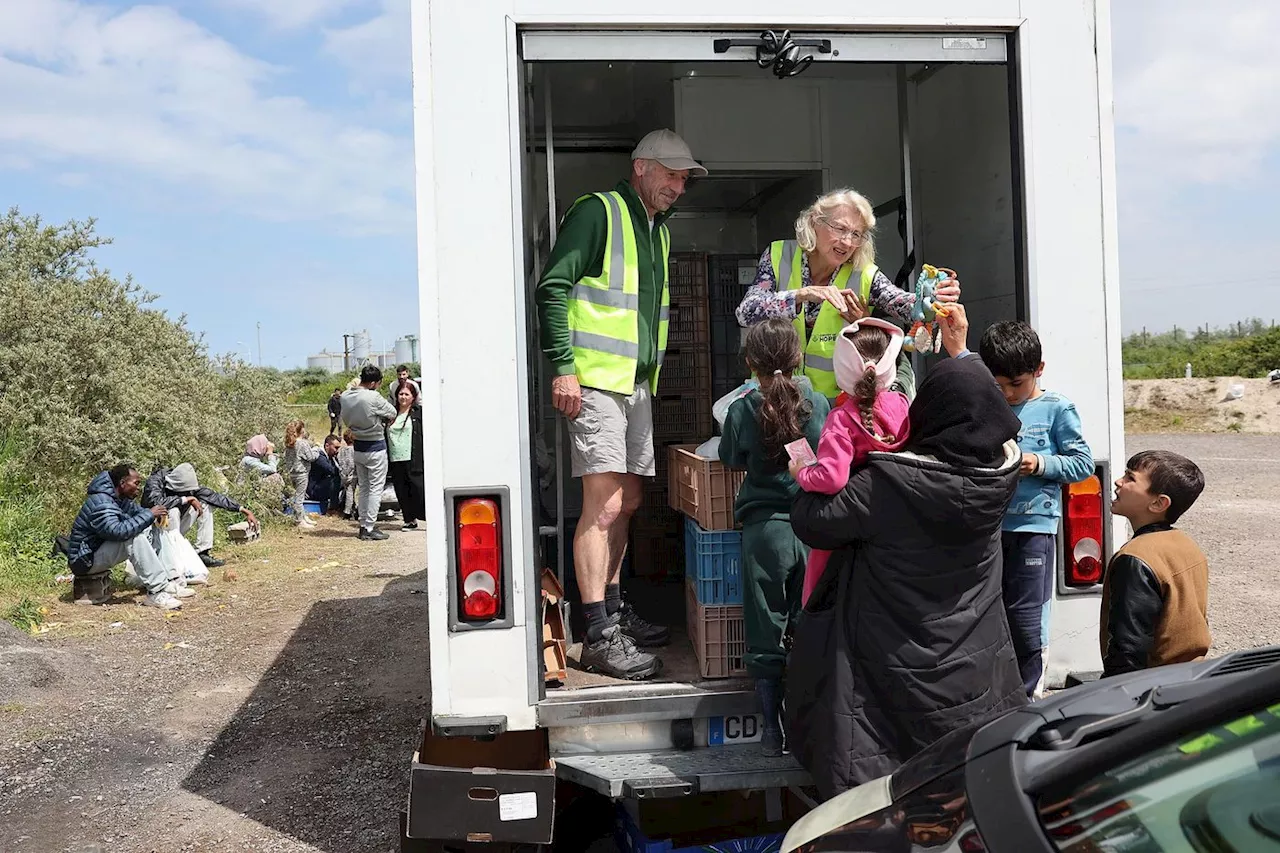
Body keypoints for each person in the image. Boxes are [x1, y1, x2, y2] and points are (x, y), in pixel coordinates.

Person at [786, 305, 1027, 799]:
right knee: (959, 793)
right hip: (973, 669)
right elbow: (979, 406)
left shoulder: (889, 483)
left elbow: (813, 522)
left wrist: (810, 470)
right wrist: (960, 349)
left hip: (892, 671)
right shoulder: (1001, 475)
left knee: (892, 800)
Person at [533, 128, 706, 680]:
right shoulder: (599, 213)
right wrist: (564, 367)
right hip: (596, 382)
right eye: (671, 174)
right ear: (641, 167)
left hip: (634, 385)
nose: (679, 186)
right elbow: (552, 288)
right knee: (604, 506)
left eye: (684, 178)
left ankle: (612, 609)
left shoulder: (656, 230)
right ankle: (598, 632)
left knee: (628, 501)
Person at [718, 318, 830, 757]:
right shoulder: (817, 403)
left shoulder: (743, 409)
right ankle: (808, 724)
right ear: (798, 357)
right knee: (808, 621)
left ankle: (770, 732)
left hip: (764, 532)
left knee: (766, 624)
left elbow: (729, 458)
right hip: (810, 526)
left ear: (749, 364)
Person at [735, 189, 961, 401]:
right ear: (815, 222)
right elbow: (745, 313)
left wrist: (933, 299)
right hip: (774, 401)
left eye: (856, 234)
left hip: (833, 410)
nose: (847, 242)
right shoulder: (778, 255)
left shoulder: (864, 274)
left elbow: (906, 306)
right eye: (840, 229)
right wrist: (800, 296)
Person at [979, 321, 1095, 697]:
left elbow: (1081, 464)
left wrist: (1038, 463)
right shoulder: (983, 405)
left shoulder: (1057, 408)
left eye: (1017, 384)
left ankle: (1028, 696)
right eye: (999, 385)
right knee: (988, 615)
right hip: (990, 528)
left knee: (1027, 619)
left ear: (1039, 370)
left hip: (1034, 529)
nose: (1008, 394)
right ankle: (994, 697)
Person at [790, 317, 911, 607]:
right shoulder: (902, 406)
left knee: (823, 596)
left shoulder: (842, 419)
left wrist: (802, 472)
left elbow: (832, 478)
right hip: (896, 523)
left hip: (850, 526)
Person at [1101, 451, 1210, 677]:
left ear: (1159, 503)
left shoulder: (1135, 558)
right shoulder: (1186, 544)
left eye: (1130, 478)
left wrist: (1114, 697)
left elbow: (1128, 651)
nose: (1118, 481)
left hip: (1152, 689)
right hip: (1191, 679)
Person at [66, 463, 189, 610]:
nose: (139, 488)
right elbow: (117, 532)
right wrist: (150, 514)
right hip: (85, 561)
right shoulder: (102, 503)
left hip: (97, 551)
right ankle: (157, 592)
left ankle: (168, 581)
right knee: (133, 536)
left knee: (153, 524)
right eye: (136, 483)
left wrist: (153, 516)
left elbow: (139, 514)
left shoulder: (119, 499)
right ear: (122, 483)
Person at [142, 462, 259, 572]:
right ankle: (172, 555)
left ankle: (202, 553)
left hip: (176, 528)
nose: (188, 494)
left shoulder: (188, 485)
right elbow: (154, 502)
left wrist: (243, 510)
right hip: (156, 532)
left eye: (189, 492)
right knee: (173, 510)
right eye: (184, 492)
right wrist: (184, 499)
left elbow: (214, 497)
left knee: (204, 504)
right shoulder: (156, 482)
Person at [341, 365, 398, 540]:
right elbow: (392, 411)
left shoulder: (345, 396)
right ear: (373, 383)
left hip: (358, 446)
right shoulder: (373, 397)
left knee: (364, 488)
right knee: (375, 489)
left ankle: (363, 523)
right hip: (375, 446)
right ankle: (370, 526)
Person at [386, 383, 426, 531]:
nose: (403, 397)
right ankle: (409, 520)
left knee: (419, 490)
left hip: (413, 456)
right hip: (395, 458)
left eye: (407, 394)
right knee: (401, 491)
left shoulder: (419, 413)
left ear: (413, 397)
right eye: (401, 394)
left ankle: (429, 516)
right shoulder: (391, 414)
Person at [283, 420, 319, 529]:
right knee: (299, 498)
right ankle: (299, 521)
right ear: (300, 430)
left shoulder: (289, 442)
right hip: (301, 473)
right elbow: (310, 457)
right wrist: (317, 450)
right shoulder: (302, 443)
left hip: (292, 473)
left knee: (298, 496)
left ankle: (302, 516)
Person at [306, 435, 345, 514]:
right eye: (336, 448)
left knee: (346, 481)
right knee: (336, 480)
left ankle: (342, 506)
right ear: (327, 446)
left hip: (321, 487)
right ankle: (333, 508)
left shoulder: (331, 457)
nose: (337, 451)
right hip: (313, 490)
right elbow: (332, 470)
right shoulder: (320, 457)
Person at [338, 429, 358, 520]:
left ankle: (349, 509)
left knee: (348, 492)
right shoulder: (354, 450)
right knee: (351, 493)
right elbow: (352, 463)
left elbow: (340, 461)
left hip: (343, 474)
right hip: (352, 474)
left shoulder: (342, 450)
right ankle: (348, 512)